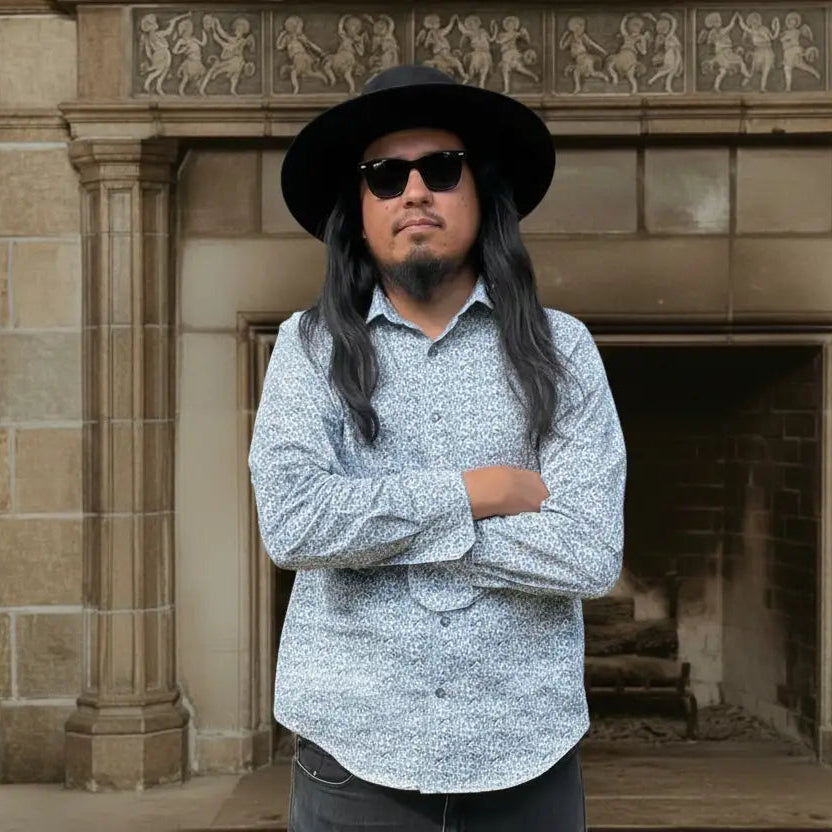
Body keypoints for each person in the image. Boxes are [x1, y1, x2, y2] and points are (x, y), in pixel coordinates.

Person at [248, 64, 626, 831]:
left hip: (527, 753)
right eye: (386, 176)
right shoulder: (307, 347)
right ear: (358, 212)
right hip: (354, 754)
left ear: (482, 195)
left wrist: (377, 529)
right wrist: (479, 493)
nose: (414, 191)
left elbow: (588, 551)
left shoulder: (565, 350)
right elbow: (294, 525)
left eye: (441, 169)